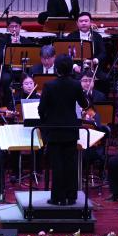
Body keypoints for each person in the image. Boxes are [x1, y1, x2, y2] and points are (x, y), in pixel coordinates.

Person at [38, 55, 88, 205]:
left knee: (57, 164)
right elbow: (84, 104)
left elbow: (41, 108)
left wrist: (45, 121)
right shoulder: (76, 85)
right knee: (70, 164)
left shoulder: (49, 85)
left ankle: (57, 197)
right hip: (71, 128)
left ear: (57, 68)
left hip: (54, 129)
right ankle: (71, 197)